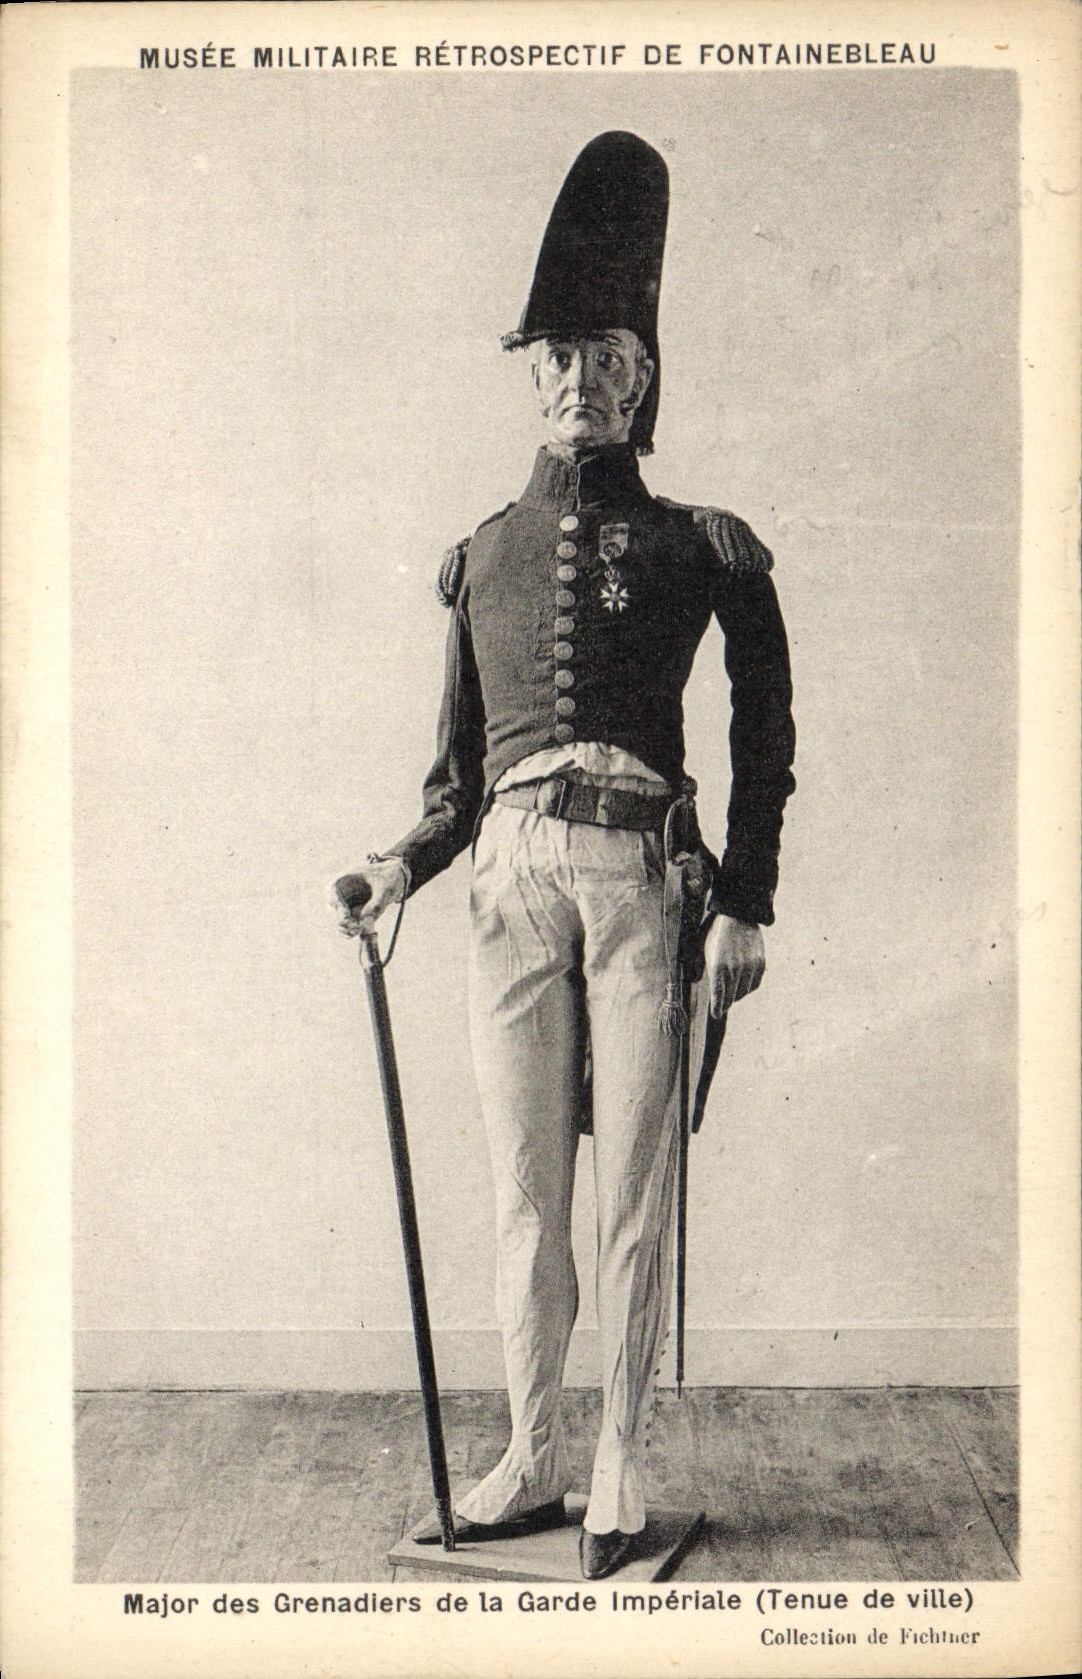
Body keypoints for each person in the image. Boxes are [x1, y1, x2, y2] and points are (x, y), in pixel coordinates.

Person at [336, 132, 795, 1580]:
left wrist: (750, 902)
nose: (575, 380)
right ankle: (530, 1451)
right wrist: (393, 870)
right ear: (527, 376)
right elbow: (457, 775)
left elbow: (763, 737)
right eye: (551, 357)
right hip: (507, 881)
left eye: (602, 354)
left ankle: (613, 1461)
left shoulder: (706, 546)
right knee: (527, 1188)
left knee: (633, 1184)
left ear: (643, 375)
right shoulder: (479, 555)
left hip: (650, 886)